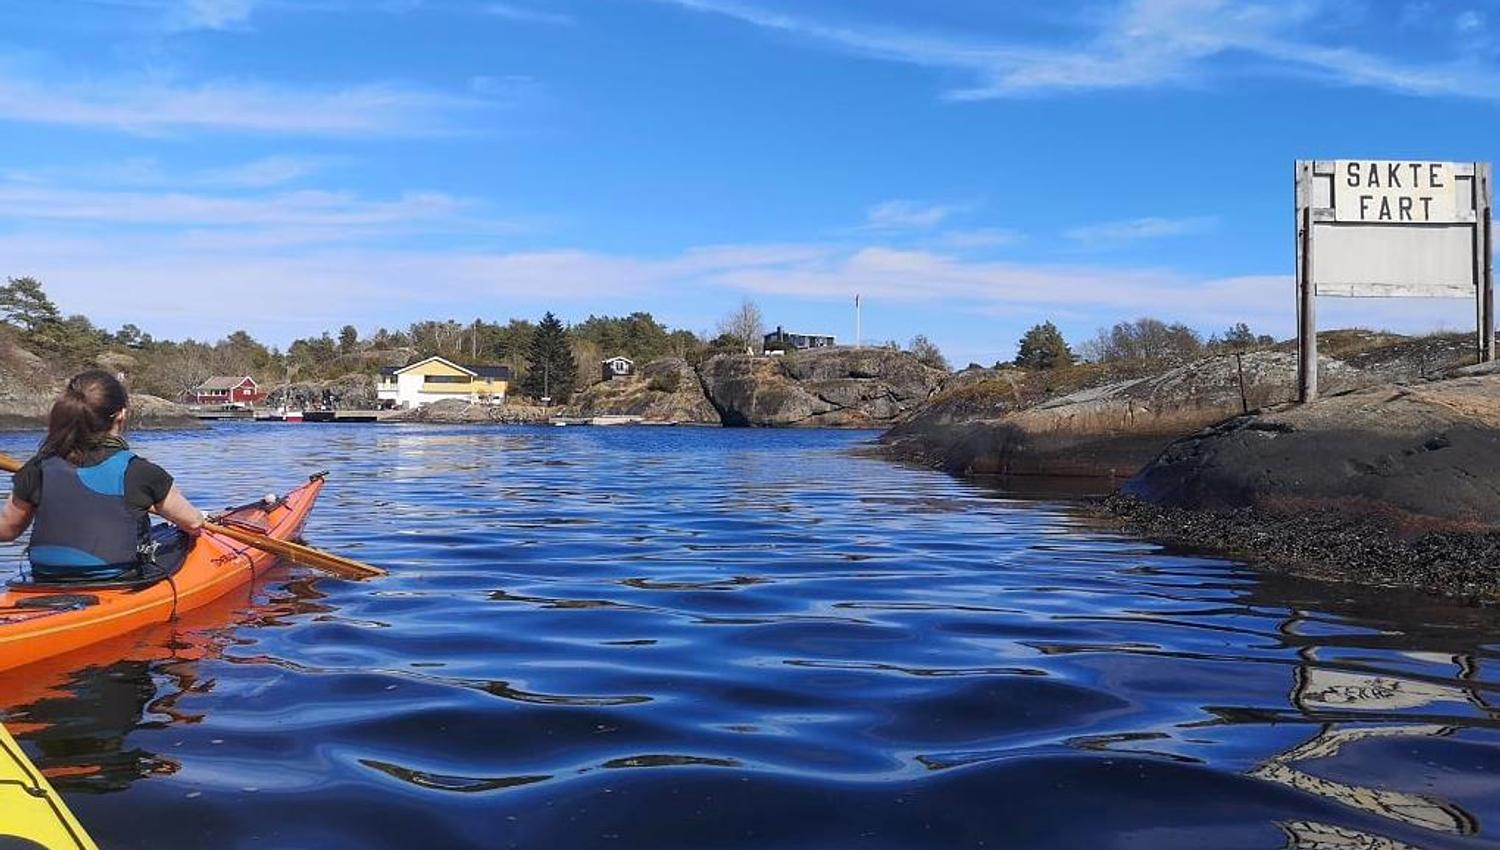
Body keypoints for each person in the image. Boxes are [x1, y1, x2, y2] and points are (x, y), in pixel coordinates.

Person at [0, 370, 208, 581]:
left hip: (45, 579)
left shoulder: (36, 468)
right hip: (118, 580)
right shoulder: (140, 472)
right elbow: (192, 523)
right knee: (178, 542)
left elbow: (6, 531)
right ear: (121, 415)